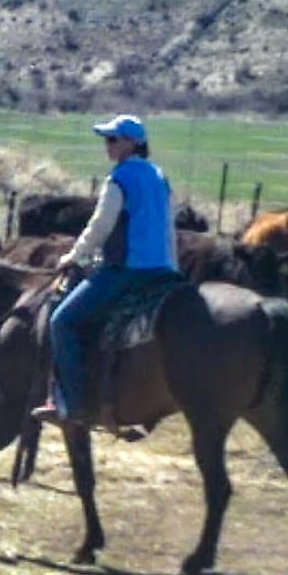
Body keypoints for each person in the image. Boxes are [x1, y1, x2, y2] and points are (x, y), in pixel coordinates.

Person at [31, 114, 178, 425]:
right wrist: (173, 269)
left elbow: (99, 227)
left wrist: (72, 256)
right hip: (162, 270)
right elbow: (168, 230)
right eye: (106, 139)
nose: (107, 146)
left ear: (132, 143)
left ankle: (71, 403)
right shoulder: (160, 177)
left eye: (113, 139)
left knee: (62, 322)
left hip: (127, 269)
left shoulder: (119, 179)